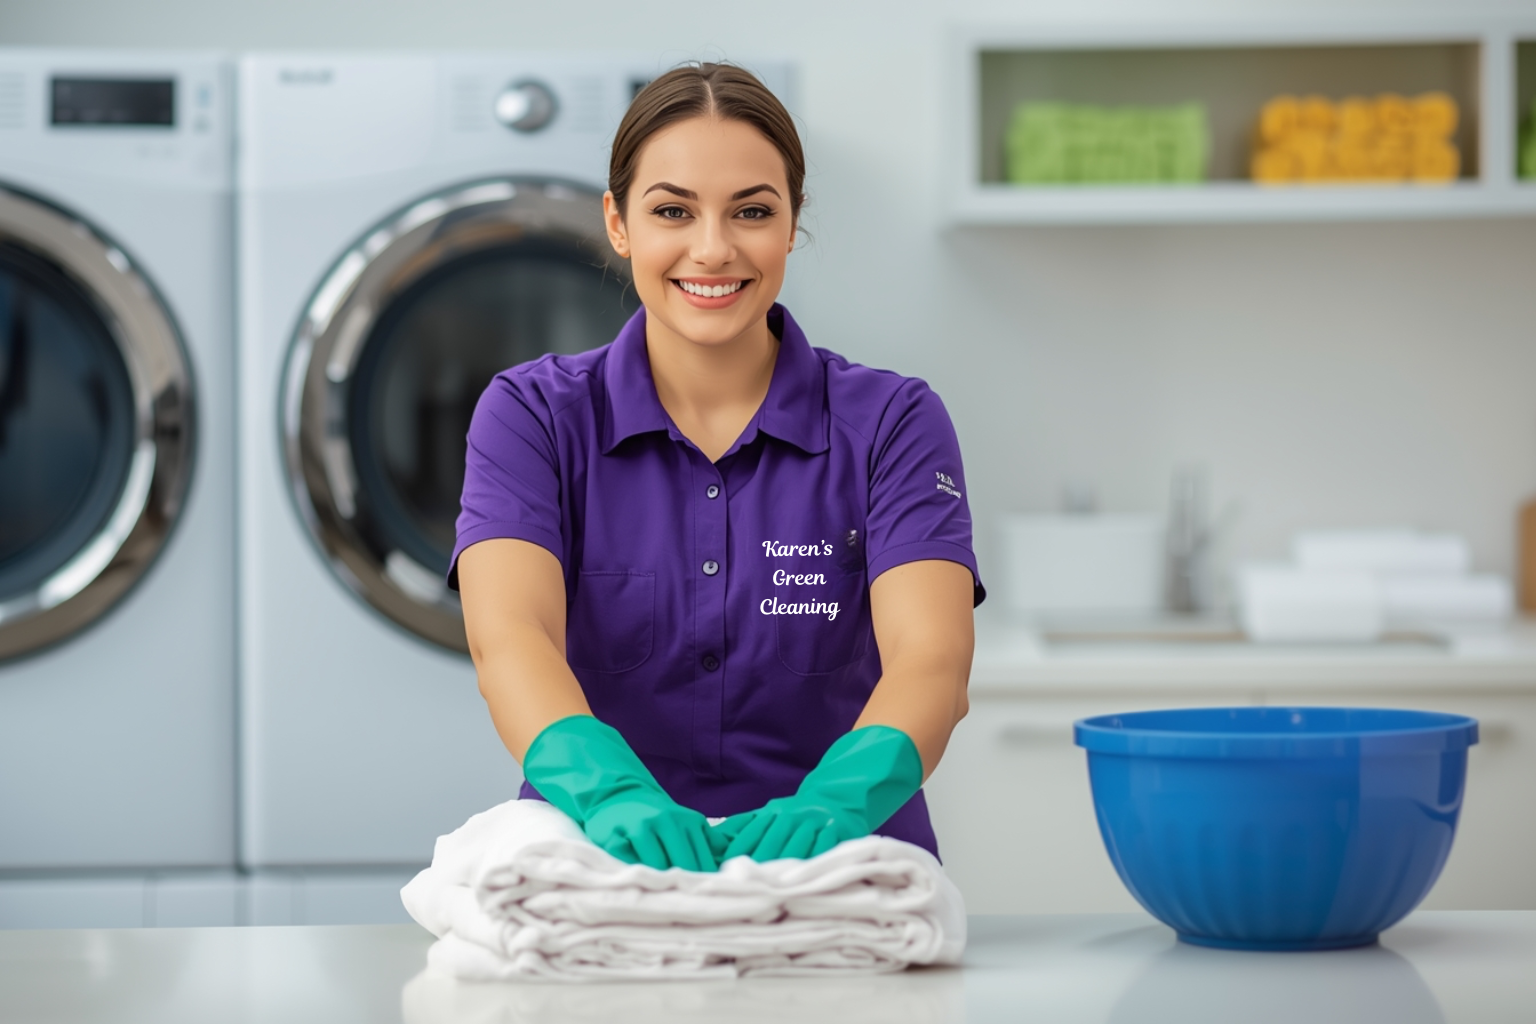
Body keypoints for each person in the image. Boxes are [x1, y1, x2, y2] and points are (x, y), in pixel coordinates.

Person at [451, 62, 983, 872]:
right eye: (672, 210)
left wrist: (834, 804)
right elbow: (510, 640)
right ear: (619, 223)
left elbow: (933, 661)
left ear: (792, 222)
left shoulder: (894, 423)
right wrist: (610, 797)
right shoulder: (532, 415)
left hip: (844, 871)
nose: (713, 248)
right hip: (599, 870)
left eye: (752, 212)